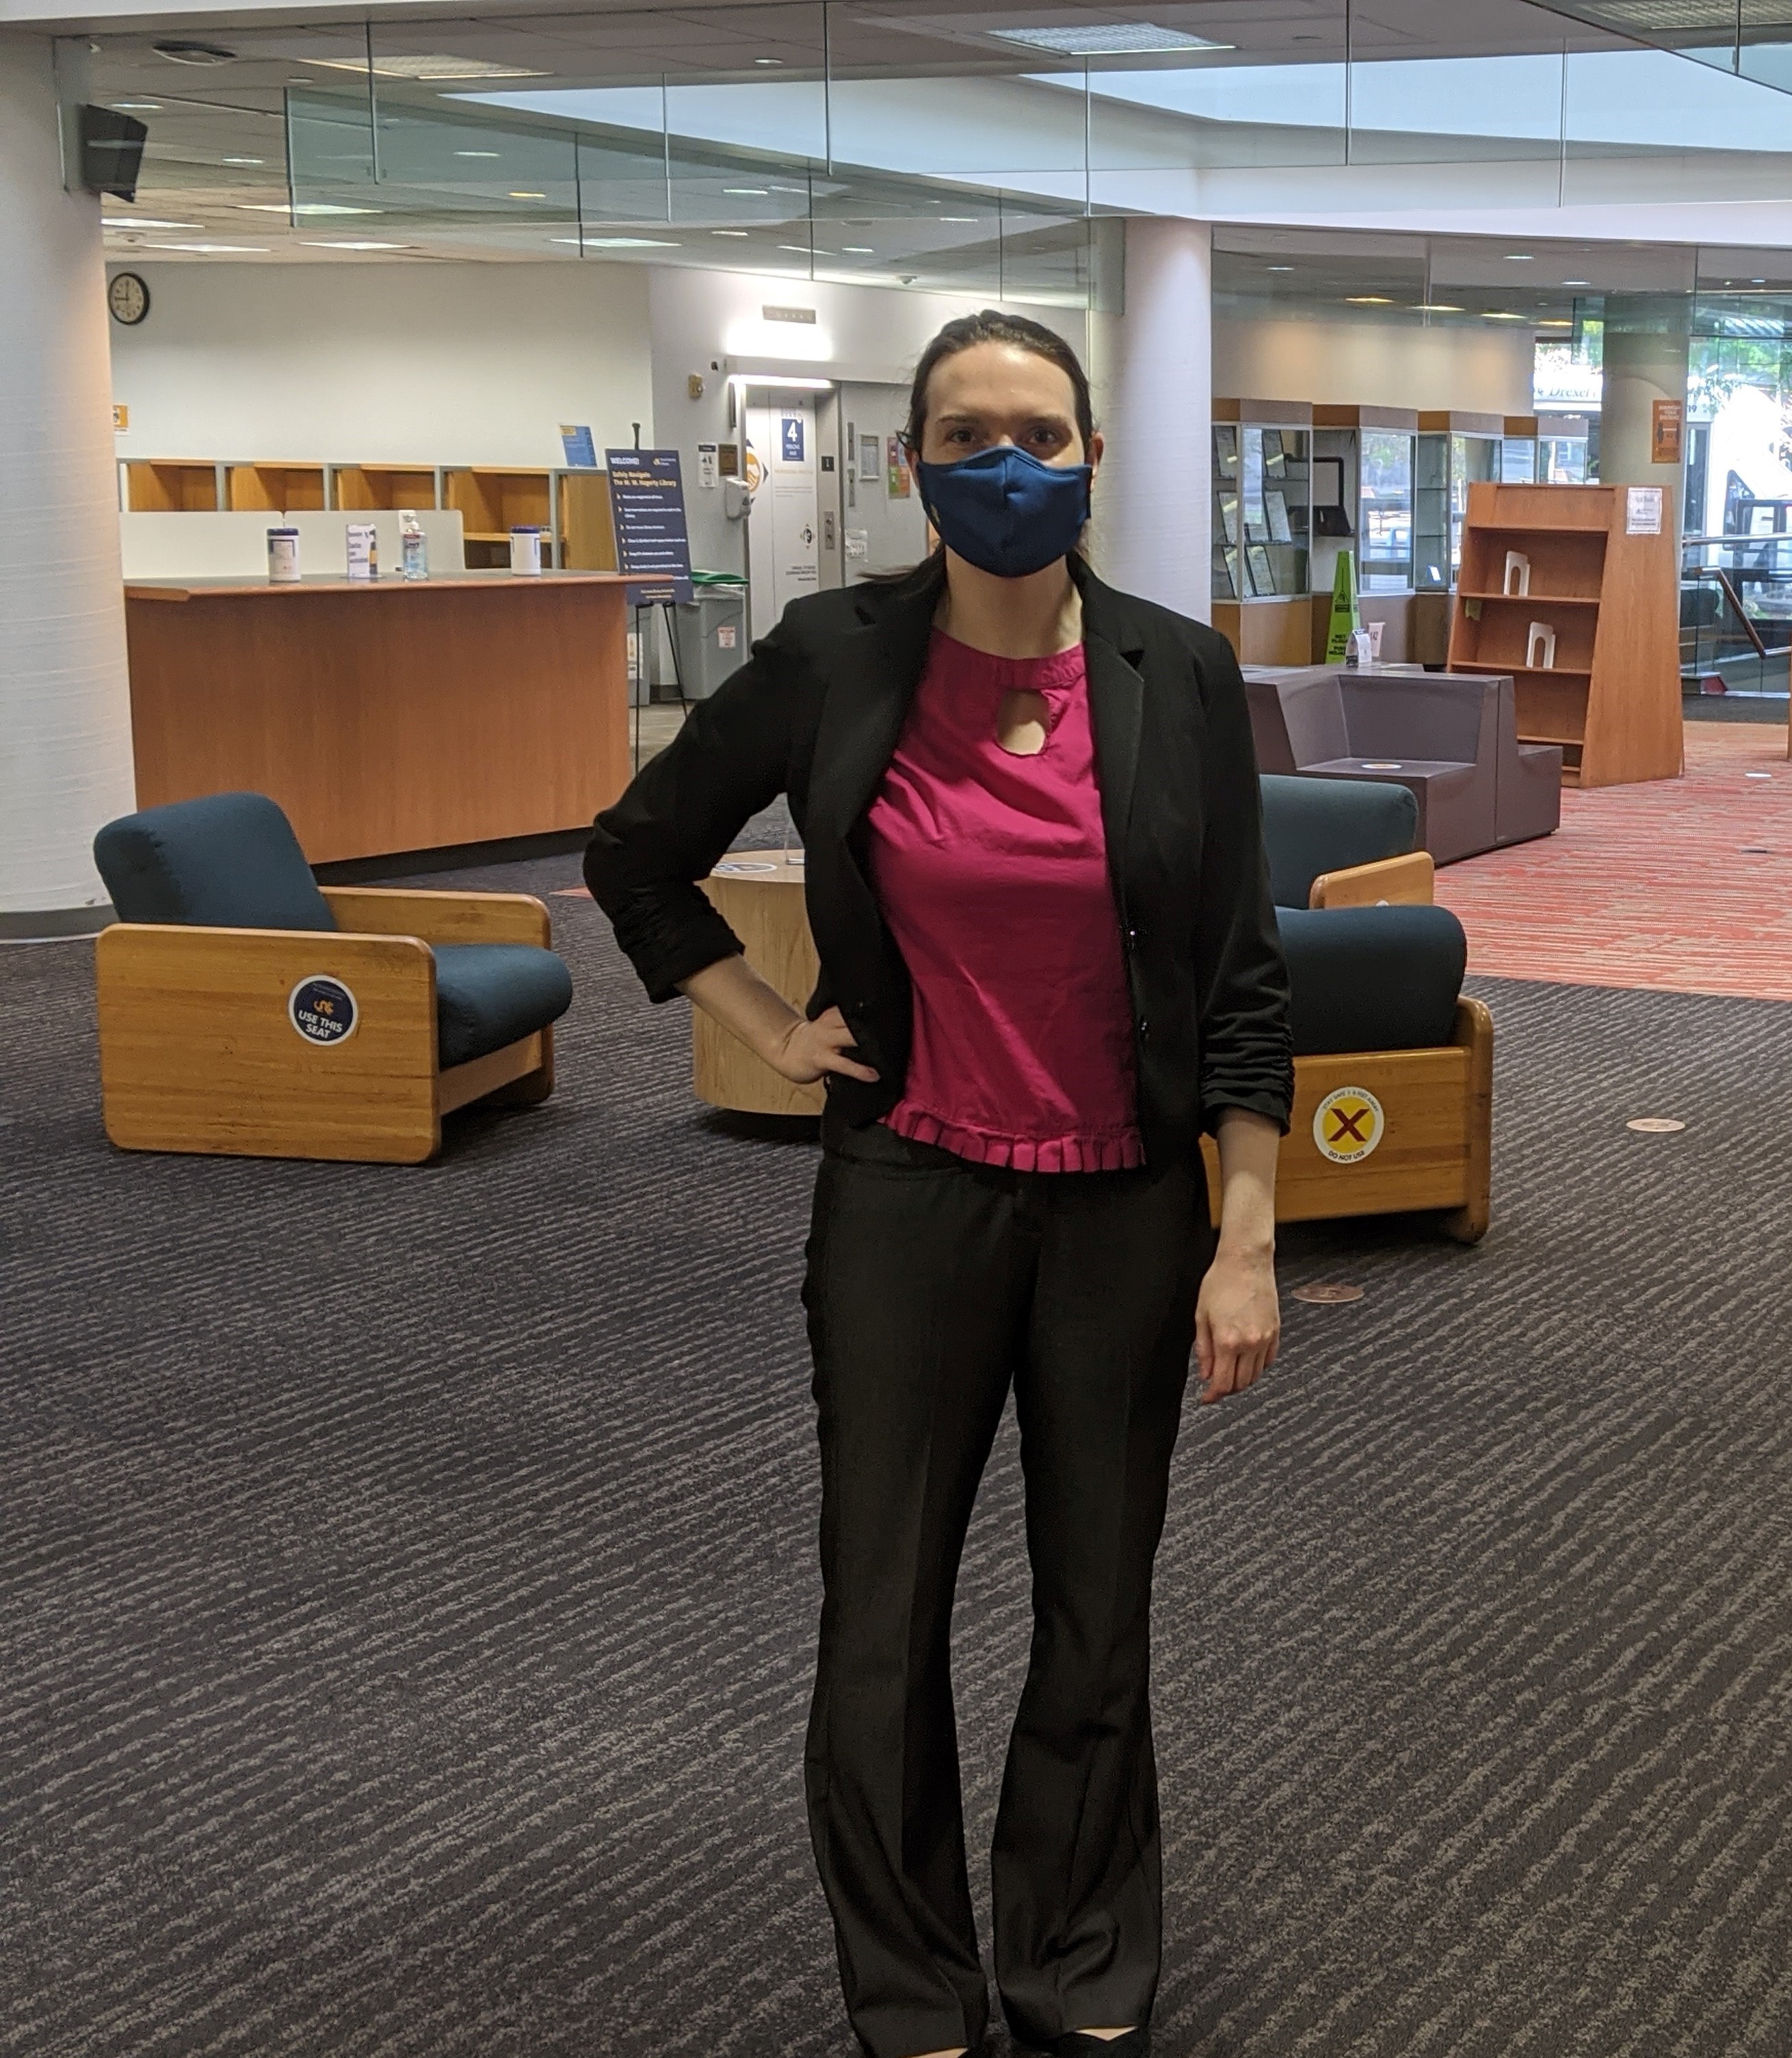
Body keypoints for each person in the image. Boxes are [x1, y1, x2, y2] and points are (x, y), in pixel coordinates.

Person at [586, 308, 1293, 2058]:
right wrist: (754, 1015)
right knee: (883, 1610)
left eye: (1038, 434)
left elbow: (1240, 976)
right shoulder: (833, 655)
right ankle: (909, 1977)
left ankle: (1072, 1957)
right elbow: (638, 850)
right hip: (907, 1194)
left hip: (1126, 1206)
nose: (1006, 465)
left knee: (1095, 1603)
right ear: (909, 464)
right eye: (966, 434)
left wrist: (1246, 1234)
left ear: (1091, 456)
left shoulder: (1176, 673)